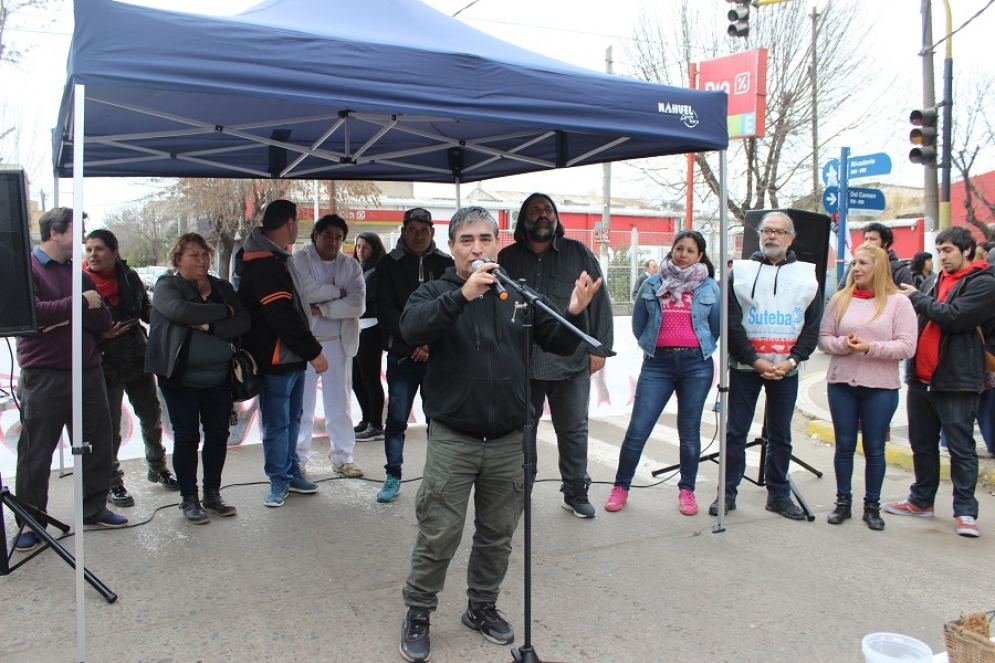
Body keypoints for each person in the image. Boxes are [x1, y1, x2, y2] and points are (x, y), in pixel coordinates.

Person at [396, 206, 603, 663]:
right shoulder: (434, 292)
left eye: (485, 239)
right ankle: (419, 611)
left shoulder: (516, 293)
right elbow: (412, 330)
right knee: (439, 531)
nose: (477, 248)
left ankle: (481, 605)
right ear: (451, 246)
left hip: (510, 438)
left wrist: (573, 310)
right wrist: (463, 296)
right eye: (466, 239)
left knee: (497, 534)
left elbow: (555, 338)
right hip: (455, 437)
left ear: (497, 244)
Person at [14, 208, 126, 552]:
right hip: (44, 375)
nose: (82, 239)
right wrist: (77, 305)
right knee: (37, 451)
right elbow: (32, 316)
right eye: (77, 231)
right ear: (55, 232)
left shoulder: (80, 274)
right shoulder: (26, 270)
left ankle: (93, 508)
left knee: (97, 442)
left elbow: (102, 320)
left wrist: (63, 314)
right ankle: (30, 522)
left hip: (88, 371)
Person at [498, 193, 614, 518]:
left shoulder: (578, 253)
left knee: (574, 429)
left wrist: (599, 347)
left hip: (571, 359)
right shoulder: (507, 258)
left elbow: (599, 300)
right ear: (524, 220)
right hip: (522, 362)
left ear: (556, 218)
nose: (543, 215)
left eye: (548, 209)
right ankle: (521, 491)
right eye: (535, 210)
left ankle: (576, 492)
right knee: (523, 430)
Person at [884, 227, 995, 538]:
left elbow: (955, 317)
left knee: (961, 448)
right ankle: (921, 500)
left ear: (967, 251)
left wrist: (916, 297)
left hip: (957, 380)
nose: (942, 257)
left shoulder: (984, 284)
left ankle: (965, 512)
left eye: (948, 250)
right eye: (939, 251)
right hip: (921, 377)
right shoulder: (933, 281)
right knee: (922, 444)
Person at [712, 211, 823, 520]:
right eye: (767, 231)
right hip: (747, 367)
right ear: (760, 235)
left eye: (780, 232)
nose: (772, 236)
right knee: (736, 432)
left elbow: (812, 326)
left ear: (791, 238)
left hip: (786, 370)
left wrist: (792, 360)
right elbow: (732, 323)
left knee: (780, 434)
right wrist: (755, 360)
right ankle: (727, 492)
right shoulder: (742, 273)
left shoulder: (806, 276)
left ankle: (778, 495)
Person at [605, 231, 720, 515]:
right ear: (672, 250)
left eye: (690, 251)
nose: (683, 254)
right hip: (658, 364)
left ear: (700, 256)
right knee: (638, 429)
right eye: (679, 248)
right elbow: (639, 324)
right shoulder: (652, 283)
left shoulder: (709, 287)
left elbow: (715, 327)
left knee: (689, 431)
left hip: (696, 365)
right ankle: (621, 487)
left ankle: (687, 490)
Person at [146, 233, 250, 523]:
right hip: (180, 379)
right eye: (194, 254)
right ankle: (189, 498)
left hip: (218, 378)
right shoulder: (168, 285)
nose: (202, 259)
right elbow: (179, 310)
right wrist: (222, 312)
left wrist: (210, 325)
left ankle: (212, 494)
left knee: (218, 435)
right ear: (178, 259)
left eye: (205, 254)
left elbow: (244, 320)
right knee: (187, 437)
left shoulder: (222, 287)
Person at [818, 243, 917, 530]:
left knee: (875, 448)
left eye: (863, 263)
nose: (856, 269)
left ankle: (872, 506)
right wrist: (842, 344)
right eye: (854, 263)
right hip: (841, 383)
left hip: (880, 387)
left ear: (879, 267)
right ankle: (842, 502)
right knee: (844, 445)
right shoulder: (840, 299)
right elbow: (824, 338)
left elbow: (907, 346)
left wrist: (869, 348)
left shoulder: (899, 303)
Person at [236, 199, 326, 507]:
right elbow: (281, 316)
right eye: (297, 223)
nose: (297, 228)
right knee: (276, 422)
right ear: (290, 223)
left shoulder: (276, 258)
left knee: (293, 417)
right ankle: (278, 479)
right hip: (273, 358)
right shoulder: (264, 265)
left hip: (290, 357)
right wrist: (313, 351)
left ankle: (290, 472)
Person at [84, 229, 177, 508]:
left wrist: (162, 316)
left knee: (151, 415)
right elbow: (73, 325)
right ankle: (113, 483)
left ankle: (158, 468)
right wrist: (101, 335)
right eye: (88, 250)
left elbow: (143, 308)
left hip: (137, 358)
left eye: (99, 249)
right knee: (111, 426)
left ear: (115, 252)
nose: (93, 255)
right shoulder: (80, 282)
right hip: (102, 361)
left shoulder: (129, 277)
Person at [374, 208, 453, 503]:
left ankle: (438, 478)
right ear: (404, 231)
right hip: (402, 355)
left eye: (424, 230)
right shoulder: (387, 265)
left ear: (432, 232)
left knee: (439, 420)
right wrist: (413, 343)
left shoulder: (447, 264)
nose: (418, 235)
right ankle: (393, 475)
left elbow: (451, 308)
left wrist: (429, 343)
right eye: (412, 230)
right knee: (396, 421)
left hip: (437, 357)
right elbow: (385, 311)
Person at [292, 213, 365, 478]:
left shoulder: (350, 265)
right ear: (315, 235)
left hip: (338, 343)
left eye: (338, 237)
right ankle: (297, 460)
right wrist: (337, 293)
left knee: (340, 404)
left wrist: (321, 309)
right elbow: (304, 291)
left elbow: (357, 304)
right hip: (306, 344)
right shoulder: (299, 259)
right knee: (303, 405)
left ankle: (343, 457)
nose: (332, 242)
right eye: (327, 235)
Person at [352, 231, 387, 441]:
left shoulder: (376, 271)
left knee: (370, 377)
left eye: (365, 246)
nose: (361, 251)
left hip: (371, 327)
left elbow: (361, 300)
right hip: (357, 328)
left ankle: (376, 424)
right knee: (356, 378)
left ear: (374, 248)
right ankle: (366, 419)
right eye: (358, 246)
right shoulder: (358, 269)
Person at [861, 222, 913, 287]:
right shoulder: (857, 264)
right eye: (866, 239)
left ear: (885, 242)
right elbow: (845, 288)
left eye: (873, 239)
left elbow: (906, 294)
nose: (867, 243)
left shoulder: (899, 270)